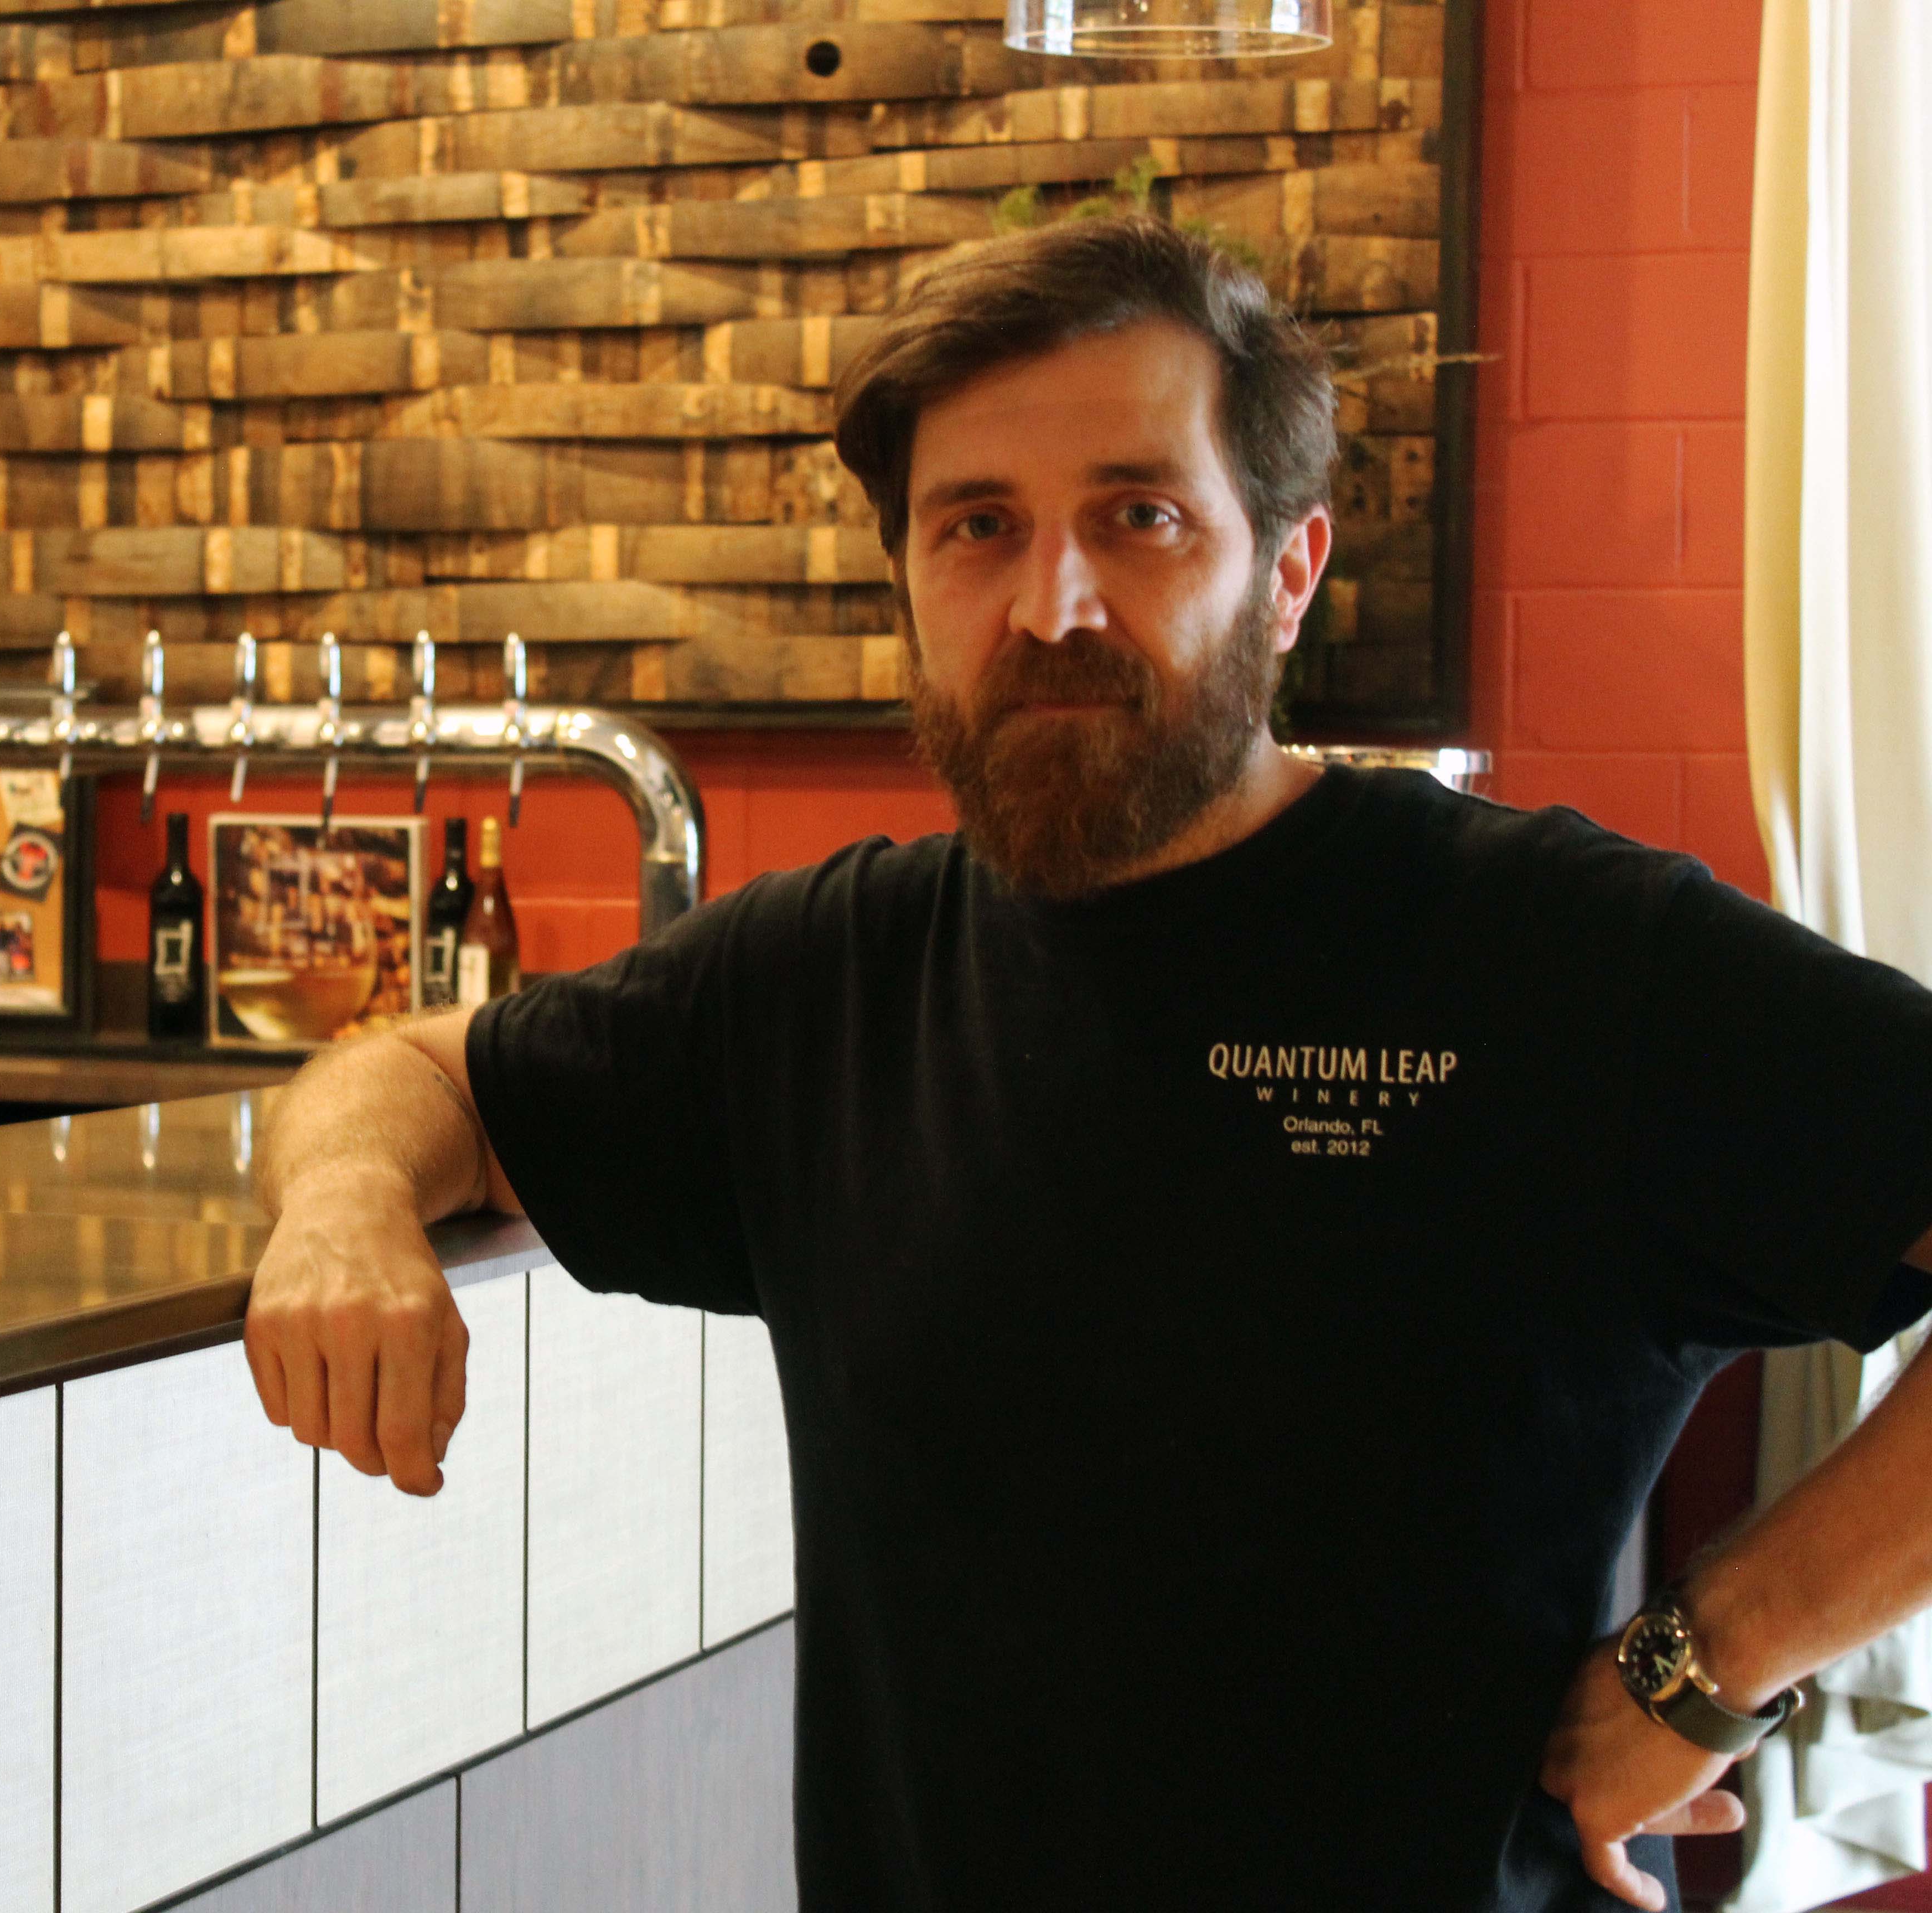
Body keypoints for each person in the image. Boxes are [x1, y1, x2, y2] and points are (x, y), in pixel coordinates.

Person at [239, 216, 1932, 1911]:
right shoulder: (827, 980)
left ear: (1288, 570)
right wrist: (341, 1204)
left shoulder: (1562, 954)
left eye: (1141, 517)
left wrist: (1722, 1647)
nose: (1052, 606)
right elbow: (421, 1078)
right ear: (911, 584)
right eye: (979, 527)